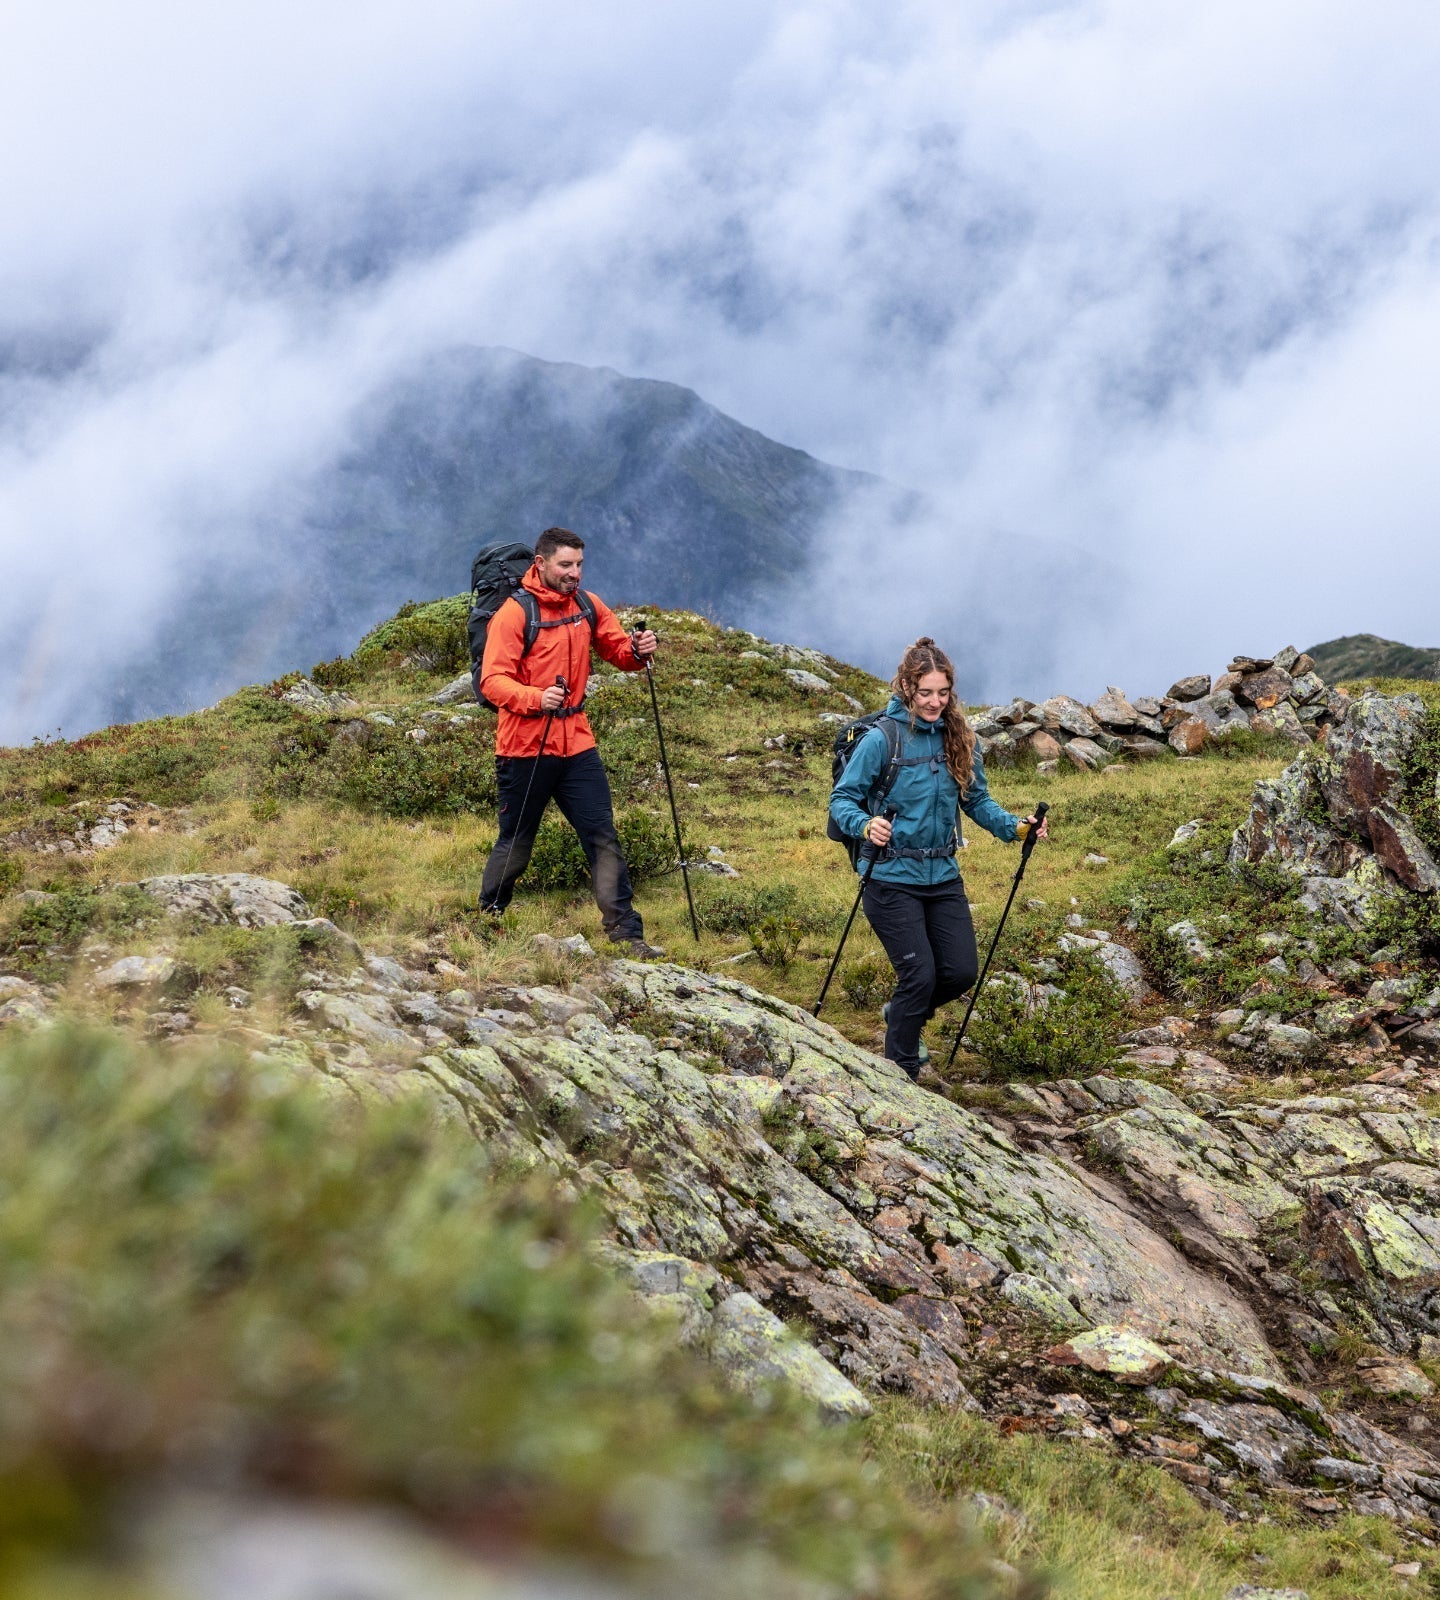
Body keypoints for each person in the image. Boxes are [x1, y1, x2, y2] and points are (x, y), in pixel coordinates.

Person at [828, 637, 1048, 1080]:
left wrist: (1015, 827)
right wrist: (867, 825)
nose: (934, 702)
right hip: (889, 875)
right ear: (906, 688)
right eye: (925, 692)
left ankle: (901, 1015)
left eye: (942, 693)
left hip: (942, 874)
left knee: (961, 972)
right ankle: (902, 1068)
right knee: (919, 976)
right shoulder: (881, 740)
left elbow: (976, 800)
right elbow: (842, 801)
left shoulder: (960, 738)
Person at [478, 527, 664, 957]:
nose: (575, 573)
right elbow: (492, 682)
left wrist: (639, 650)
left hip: (577, 743)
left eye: (579, 564)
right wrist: (536, 698)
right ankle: (488, 917)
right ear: (540, 564)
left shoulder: (586, 605)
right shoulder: (513, 614)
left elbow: (620, 652)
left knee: (602, 836)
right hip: (524, 747)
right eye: (566, 564)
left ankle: (627, 934)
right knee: (517, 840)